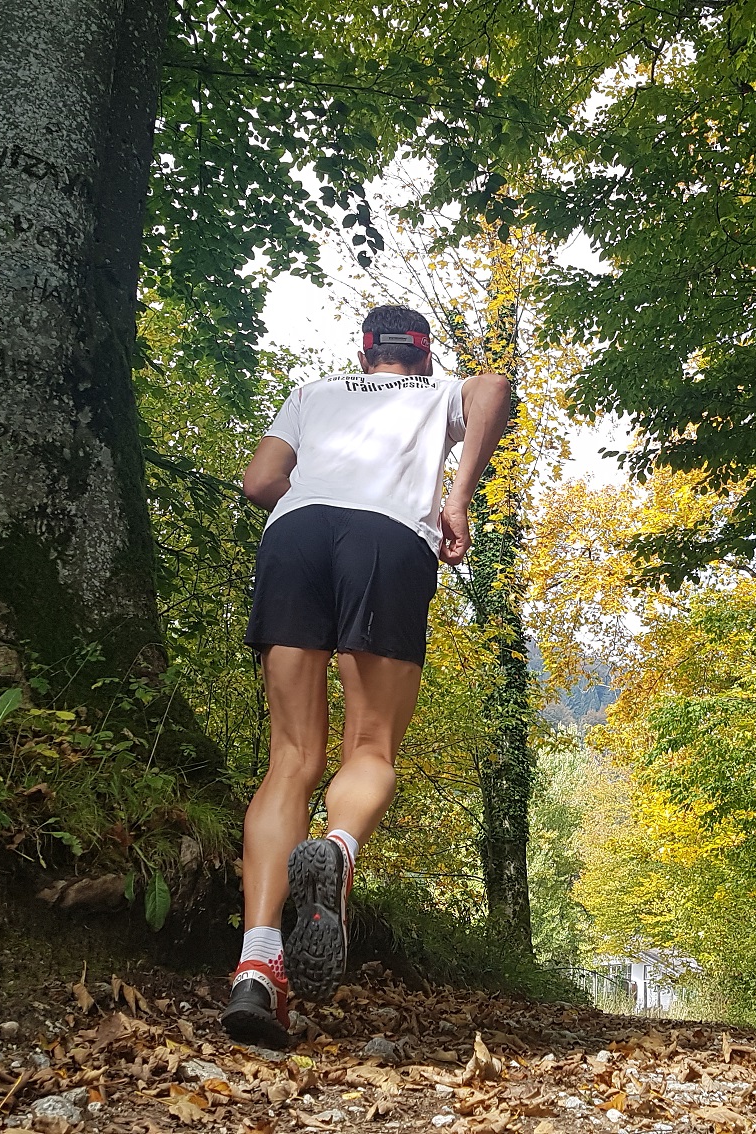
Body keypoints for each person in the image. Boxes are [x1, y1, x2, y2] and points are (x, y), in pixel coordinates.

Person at [221, 304, 512, 1047]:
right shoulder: (433, 393)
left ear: (364, 352)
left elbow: (259, 482)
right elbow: (494, 387)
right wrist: (458, 496)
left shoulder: (315, 393)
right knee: (371, 747)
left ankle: (256, 967)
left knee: (291, 759)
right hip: (385, 536)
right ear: (420, 355)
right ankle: (339, 852)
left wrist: (312, 503)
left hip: (295, 535)